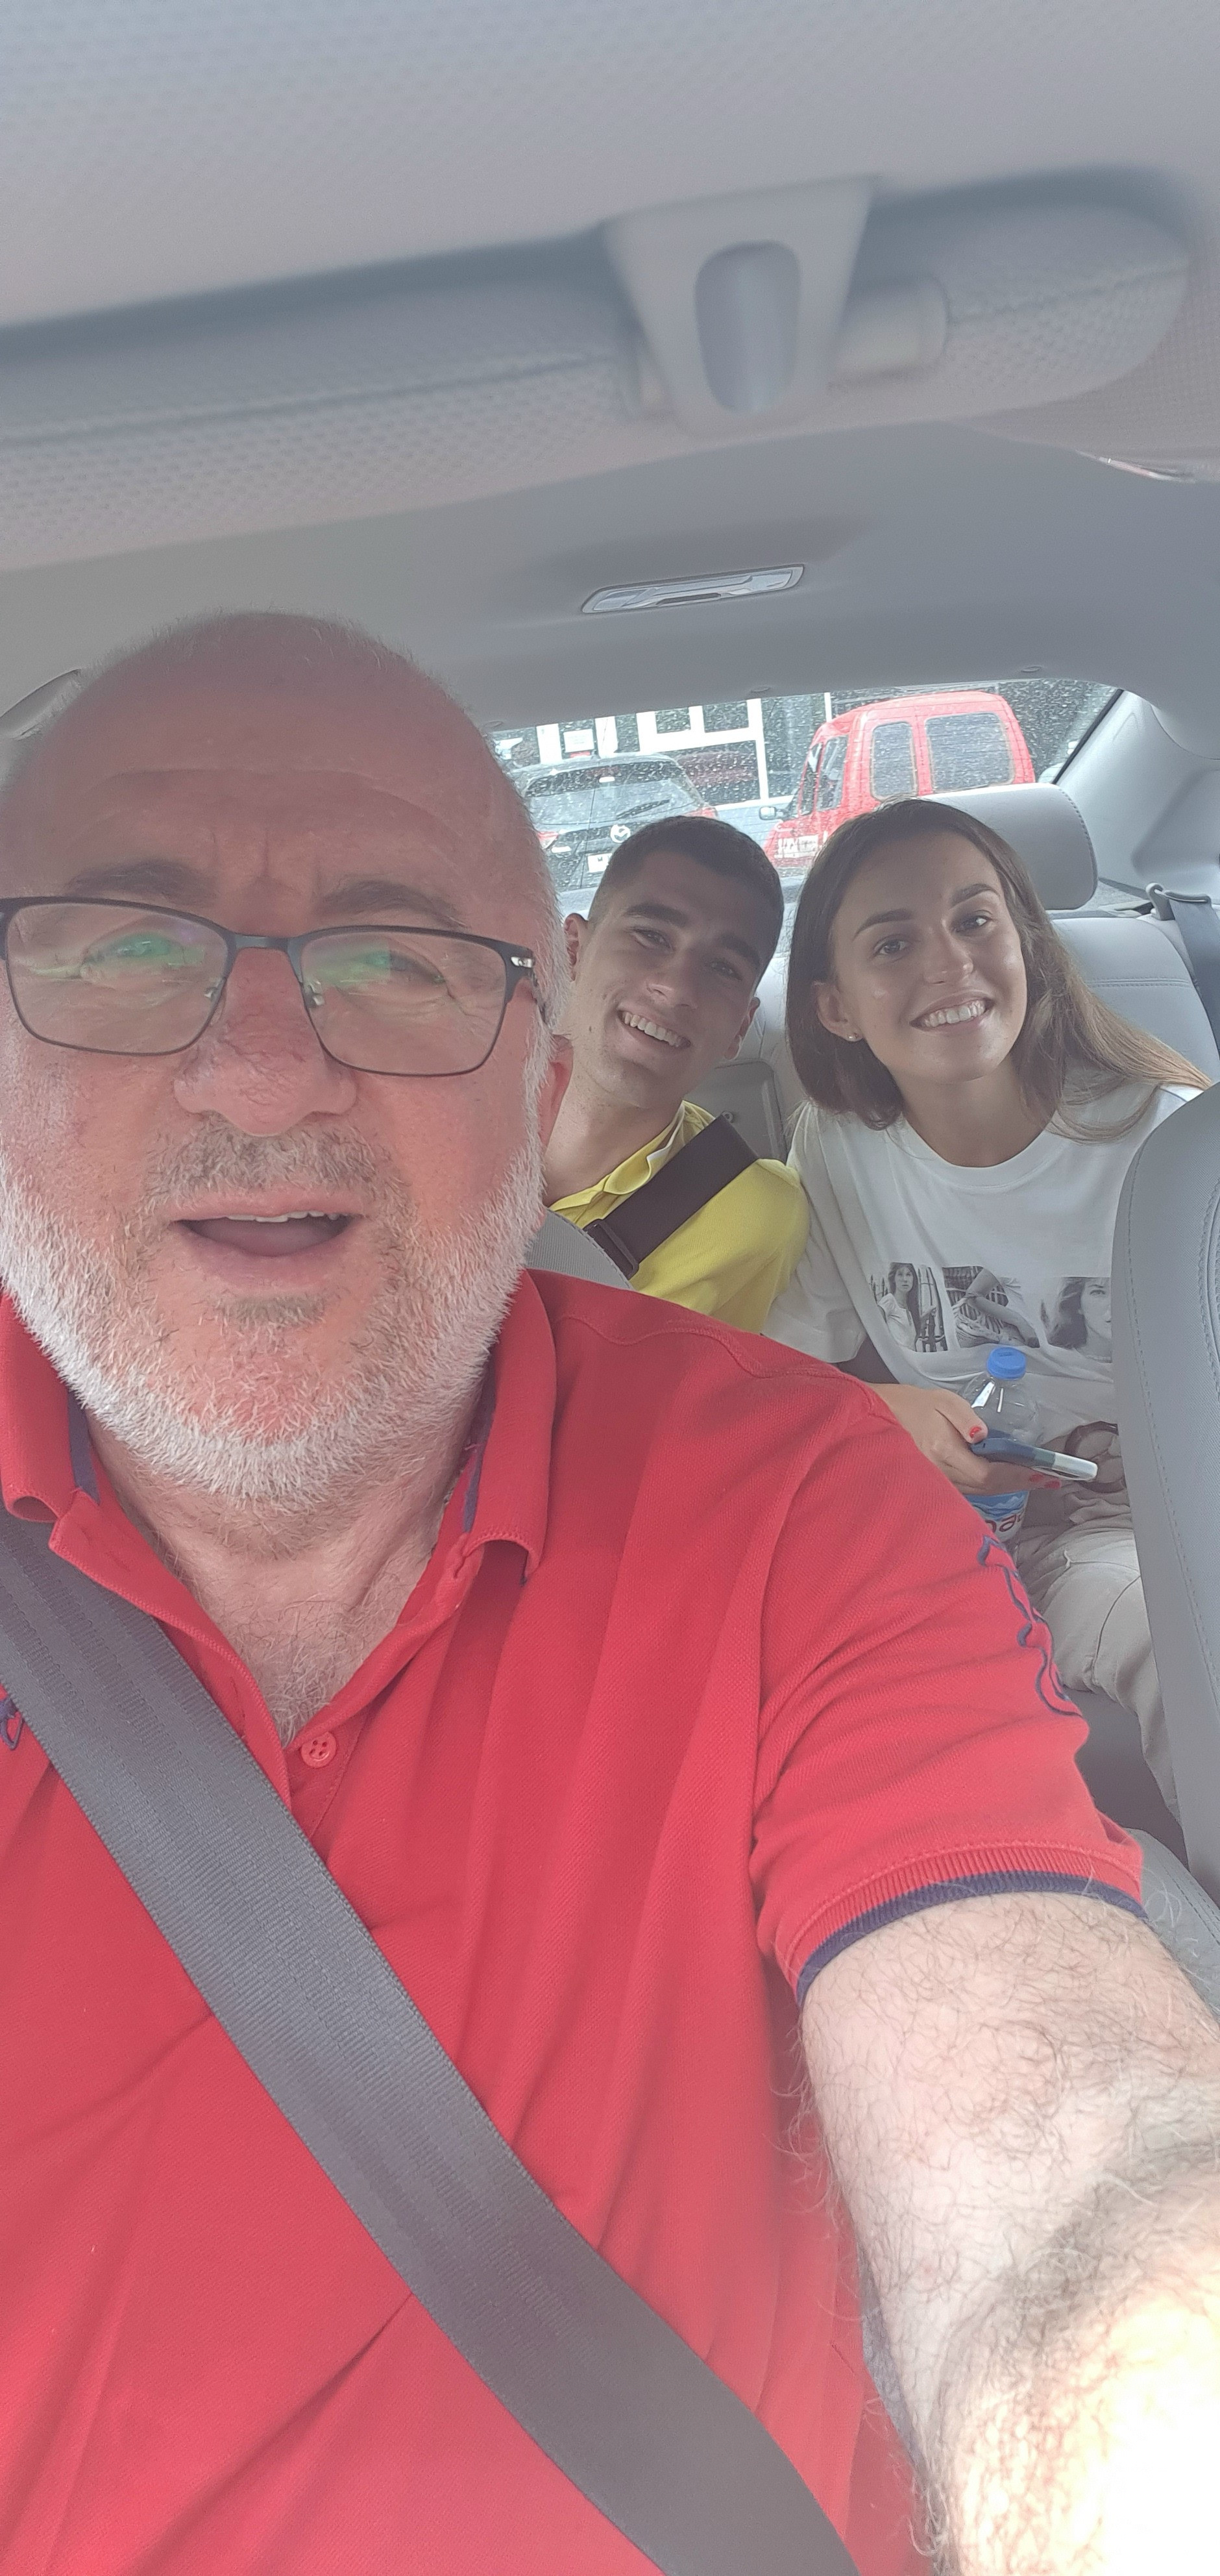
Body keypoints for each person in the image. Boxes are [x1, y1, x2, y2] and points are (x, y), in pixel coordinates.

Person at [1, 619, 1219, 2576]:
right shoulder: (824, 1220)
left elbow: (1068, 2164)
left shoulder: (785, 1498)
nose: (259, 1068)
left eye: (396, 957)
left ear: (535, 1069)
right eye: (122, 946)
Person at [766, 796, 1207, 1815]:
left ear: (1027, 948)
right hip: (987, 1531)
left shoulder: (1165, 1139)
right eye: (894, 943)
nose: (950, 963)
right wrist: (880, 1411)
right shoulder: (839, 1153)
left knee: (1177, 1626)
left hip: (1167, 1514)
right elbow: (784, 1378)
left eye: (975, 921)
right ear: (835, 1006)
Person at [543, 814, 807, 1326]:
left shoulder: (752, 1218)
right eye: (651, 937)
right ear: (571, 951)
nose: (677, 988)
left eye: (723, 968)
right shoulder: (429, 1117)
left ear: (740, 1027)